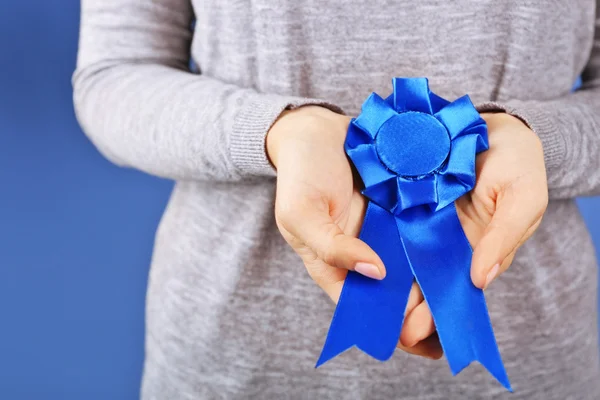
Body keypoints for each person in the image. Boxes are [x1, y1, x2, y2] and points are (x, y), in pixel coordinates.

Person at [73, 0, 600, 398]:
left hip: (538, 360)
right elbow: (114, 74)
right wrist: (279, 131)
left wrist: (538, 140)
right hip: (235, 360)